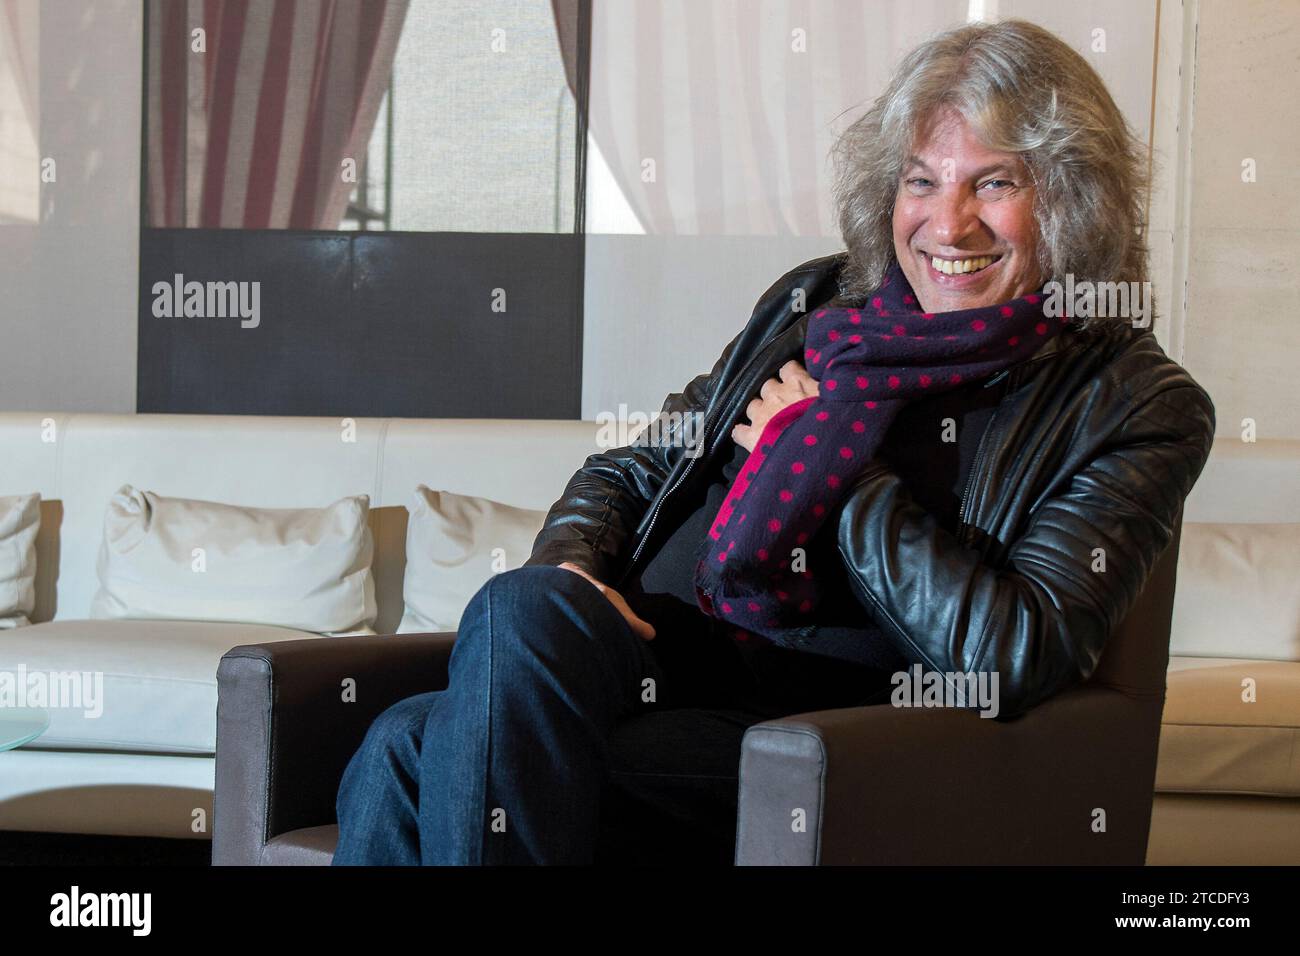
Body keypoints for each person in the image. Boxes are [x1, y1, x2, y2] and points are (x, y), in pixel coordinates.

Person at [333, 17, 1215, 865]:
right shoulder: (816, 306)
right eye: (920, 181)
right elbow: (639, 464)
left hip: (839, 732)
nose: (948, 226)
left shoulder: (1132, 401)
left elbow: (1018, 653)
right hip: (671, 657)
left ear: (1071, 199)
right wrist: (575, 559)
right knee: (520, 604)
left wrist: (832, 469)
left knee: (406, 746)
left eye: (994, 184)